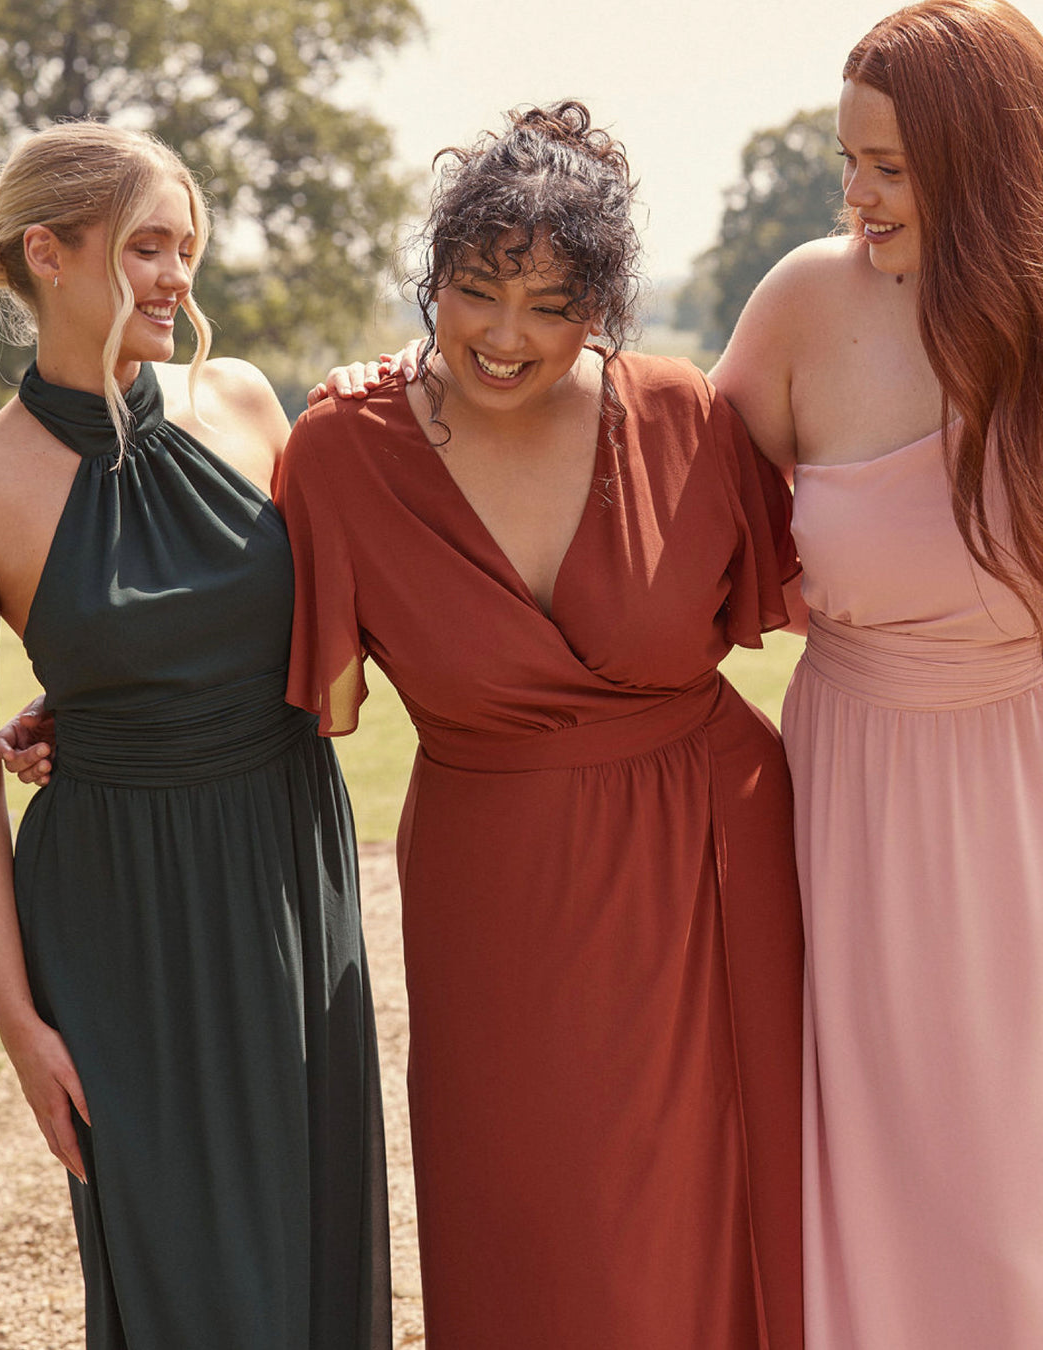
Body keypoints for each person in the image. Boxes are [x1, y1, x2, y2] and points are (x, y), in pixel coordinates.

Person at [275, 101, 804, 1349]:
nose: (506, 338)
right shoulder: (342, 450)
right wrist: (88, 716)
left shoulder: (686, 415)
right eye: (476, 291)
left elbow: (851, 603)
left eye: (553, 307)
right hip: (498, 896)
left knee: (726, 1203)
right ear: (433, 280)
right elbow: (272, 669)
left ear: (601, 310)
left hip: (717, 866)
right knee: (530, 1215)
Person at [0, 122, 389, 1349]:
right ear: (50, 252)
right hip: (118, 916)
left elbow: (348, 610)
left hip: (288, 864)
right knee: (183, 1269)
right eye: (147, 247)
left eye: (186, 248)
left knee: (311, 1230)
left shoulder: (248, 402)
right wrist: (18, 1022)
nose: (177, 277)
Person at [709, 2, 1043, 1345]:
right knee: (876, 1144)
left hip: (1025, 788)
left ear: (990, 160)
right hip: (856, 794)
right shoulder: (804, 300)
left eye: (893, 166)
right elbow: (653, 523)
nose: (857, 194)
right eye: (850, 160)